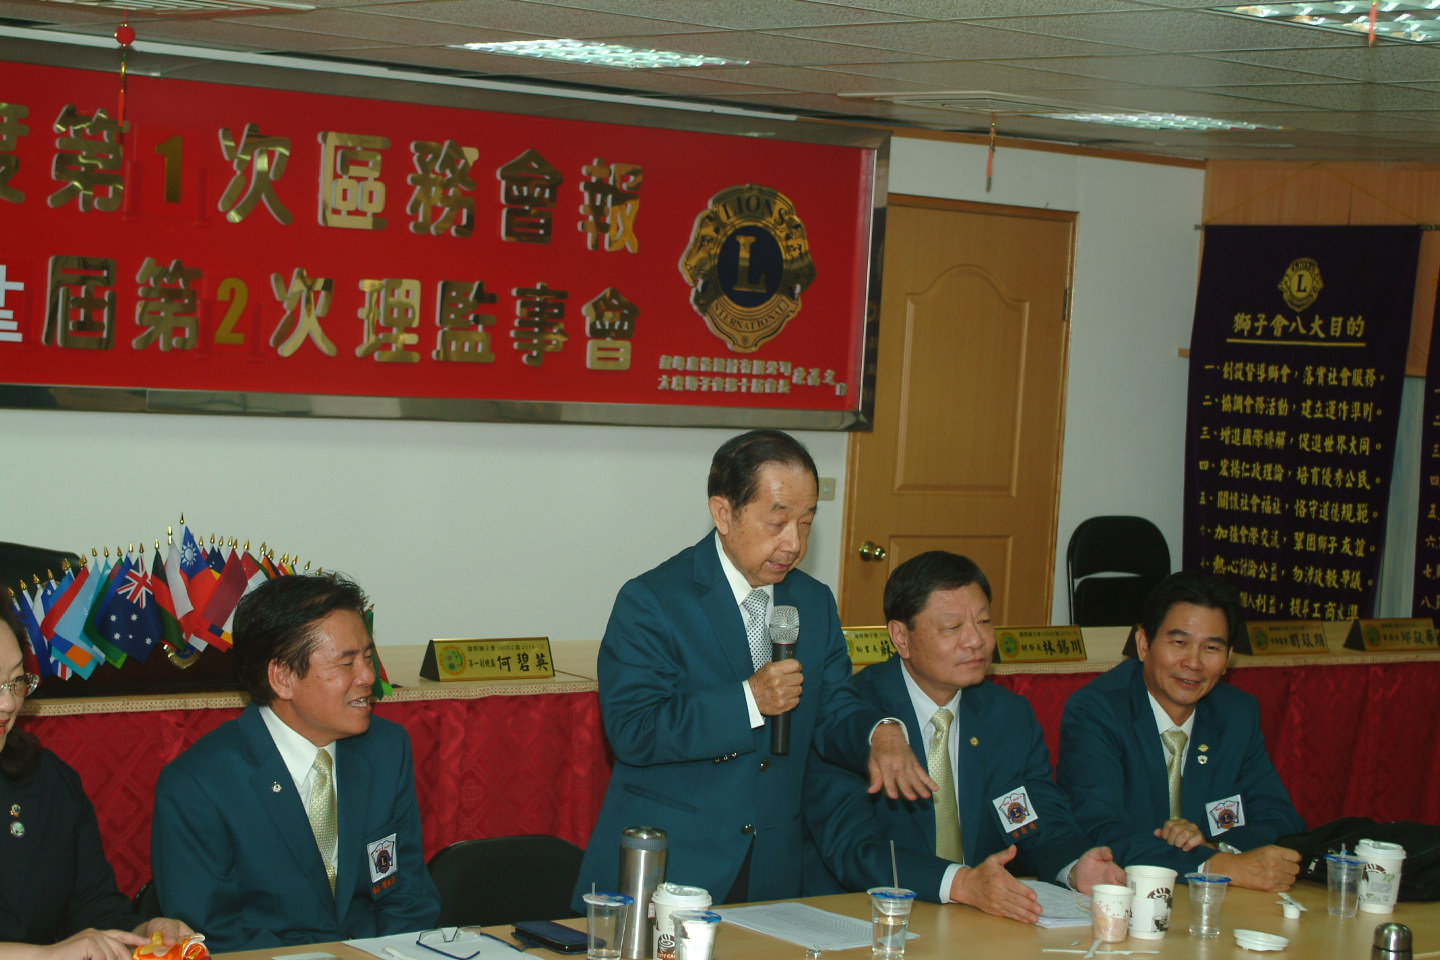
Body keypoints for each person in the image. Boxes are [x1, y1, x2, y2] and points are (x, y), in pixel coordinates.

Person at [573, 429, 934, 907]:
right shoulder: (653, 600)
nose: (793, 544)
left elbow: (835, 708)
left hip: (772, 866)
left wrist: (879, 731)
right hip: (673, 865)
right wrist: (749, 700)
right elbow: (633, 730)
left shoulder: (813, 602)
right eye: (777, 522)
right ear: (724, 513)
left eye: (806, 522)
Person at [803, 551, 1124, 923]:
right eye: (953, 627)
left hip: (978, 922)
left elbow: (1032, 819)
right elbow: (853, 851)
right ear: (901, 637)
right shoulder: (851, 718)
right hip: (870, 918)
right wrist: (961, 884)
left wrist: (1074, 865)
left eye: (984, 621)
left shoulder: (1007, 715)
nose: (976, 640)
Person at [152, 574, 440, 951]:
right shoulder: (198, 785)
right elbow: (213, 934)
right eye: (347, 663)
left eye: (368, 657)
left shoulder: (385, 749)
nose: (369, 676)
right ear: (283, 677)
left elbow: (408, 898)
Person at [1057, 570, 1305, 891]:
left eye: (1211, 648)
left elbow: (1280, 819)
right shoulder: (1098, 711)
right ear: (1143, 644)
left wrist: (1218, 849)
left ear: (1228, 658)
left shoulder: (1237, 713)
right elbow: (1098, 829)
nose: (1194, 662)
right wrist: (1212, 865)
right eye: (1179, 642)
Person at [0, 603, 192, 960]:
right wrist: (44, 956)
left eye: (15, 682)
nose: (9, 703)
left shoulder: (46, 780)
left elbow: (93, 910)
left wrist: (143, 935)